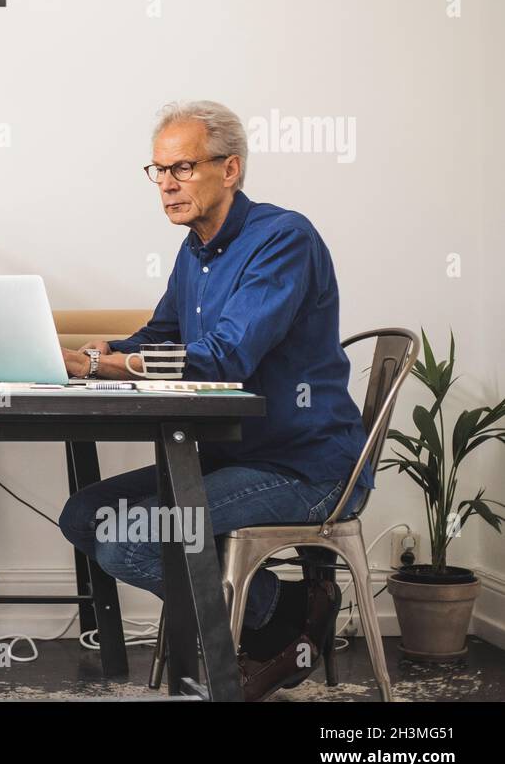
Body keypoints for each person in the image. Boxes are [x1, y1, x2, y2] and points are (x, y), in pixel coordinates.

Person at [58, 101, 368, 700]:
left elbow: (226, 359)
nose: (167, 185)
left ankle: (289, 617)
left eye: (182, 167)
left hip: (307, 464)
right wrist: (100, 350)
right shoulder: (196, 247)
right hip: (235, 457)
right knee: (84, 515)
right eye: (157, 171)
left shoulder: (283, 240)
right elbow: (161, 337)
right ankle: (287, 606)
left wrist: (109, 365)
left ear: (230, 170)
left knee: (130, 538)